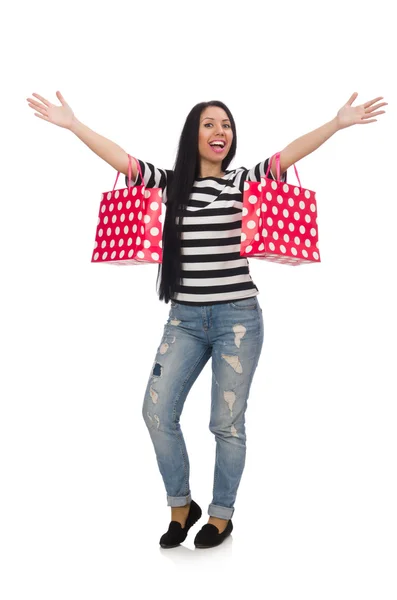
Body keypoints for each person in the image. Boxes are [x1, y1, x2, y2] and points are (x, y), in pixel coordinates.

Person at [26, 90, 387, 549]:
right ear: (192, 134)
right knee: (156, 413)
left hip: (238, 320)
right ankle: (182, 505)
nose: (221, 132)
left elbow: (287, 155)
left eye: (227, 125)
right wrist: (74, 125)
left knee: (226, 424)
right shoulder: (169, 184)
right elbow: (122, 161)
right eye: (210, 124)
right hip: (183, 320)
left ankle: (221, 514)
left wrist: (336, 123)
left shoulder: (241, 182)